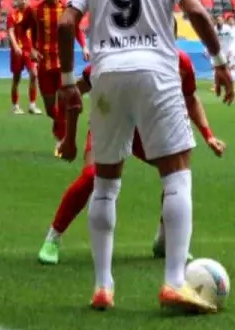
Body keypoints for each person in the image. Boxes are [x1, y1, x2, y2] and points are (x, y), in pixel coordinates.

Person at [55, 0, 235, 313]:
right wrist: (220, 62)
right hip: (156, 71)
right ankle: (173, 281)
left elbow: (66, 25)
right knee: (176, 175)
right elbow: (198, 14)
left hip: (107, 75)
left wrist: (68, 82)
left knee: (105, 183)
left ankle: (103, 286)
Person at [38, 49, 225, 265]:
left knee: (176, 176)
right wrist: (66, 134)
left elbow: (190, 97)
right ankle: (54, 236)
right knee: (91, 176)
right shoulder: (118, 57)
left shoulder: (180, 61)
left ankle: (164, 240)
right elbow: (73, 93)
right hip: (111, 123)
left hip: (147, 130)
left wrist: (208, 135)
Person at [21, 0, 86, 144]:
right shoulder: (34, 10)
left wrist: (85, 46)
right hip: (44, 65)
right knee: (51, 110)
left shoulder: (67, 9)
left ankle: (62, 139)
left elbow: (76, 29)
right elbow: (21, 30)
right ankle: (60, 128)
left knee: (63, 105)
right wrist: (30, 50)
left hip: (64, 65)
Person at [5, 0, 40, 115]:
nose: (24, 1)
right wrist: (15, 47)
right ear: (17, 1)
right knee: (16, 78)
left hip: (30, 50)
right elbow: (10, 32)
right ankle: (15, 105)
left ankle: (32, 105)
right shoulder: (12, 15)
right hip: (18, 51)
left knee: (34, 74)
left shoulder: (33, 15)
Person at [217, 11, 235, 83]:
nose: (232, 21)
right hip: (223, 50)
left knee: (233, 66)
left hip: (234, 50)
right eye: (230, 20)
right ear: (227, 21)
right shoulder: (224, 29)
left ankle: (232, 83)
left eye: (233, 20)